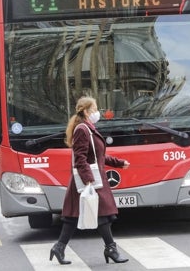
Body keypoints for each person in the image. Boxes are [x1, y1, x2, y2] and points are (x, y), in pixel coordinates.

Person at [50, 96, 130, 265]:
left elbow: (98, 156)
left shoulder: (89, 128)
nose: (97, 112)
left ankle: (59, 248)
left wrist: (119, 163)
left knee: (73, 218)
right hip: (89, 181)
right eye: (94, 109)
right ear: (86, 111)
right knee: (102, 215)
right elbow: (80, 159)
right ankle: (111, 249)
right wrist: (89, 180)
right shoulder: (83, 130)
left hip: (92, 179)